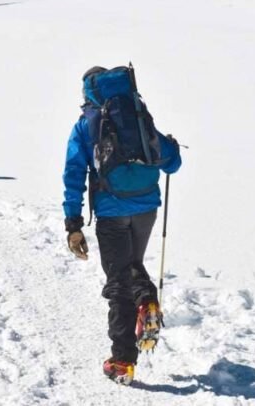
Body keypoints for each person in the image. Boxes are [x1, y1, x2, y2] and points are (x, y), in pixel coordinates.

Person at [62, 66, 182, 385]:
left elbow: (73, 174)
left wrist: (73, 224)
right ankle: (143, 303)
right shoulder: (137, 114)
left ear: (89, 91)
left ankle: (123, 360)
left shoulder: (86, 124)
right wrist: (169, 145)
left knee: (119, 282)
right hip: (146, 206)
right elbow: (173, 162)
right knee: (130, 268)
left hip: (112, 210)